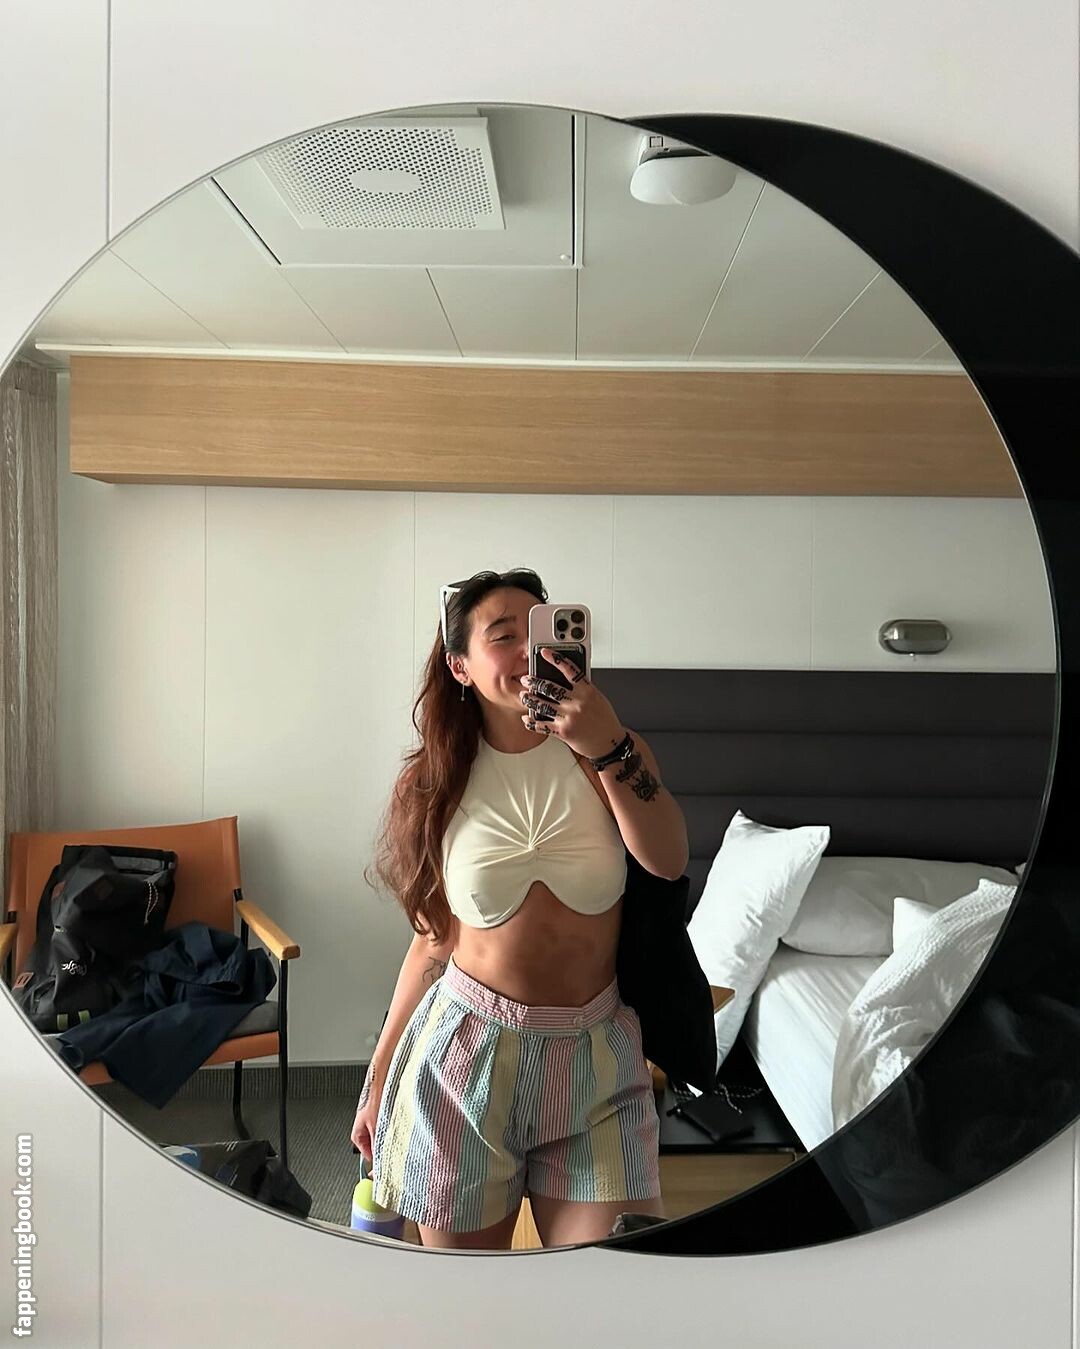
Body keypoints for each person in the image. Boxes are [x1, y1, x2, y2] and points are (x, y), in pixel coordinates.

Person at [350, 567, 689, 1250]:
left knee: (612, 1281)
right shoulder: (434, 781)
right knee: (469, 1299)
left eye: (539, 631)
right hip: (465, 1057)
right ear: (460, 666)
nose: (528, 651)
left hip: (596, 1061)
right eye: (504, 636)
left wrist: (607, 745)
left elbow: (668, 859)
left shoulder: (611, 753)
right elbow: (432, 940)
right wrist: (379, 1076)